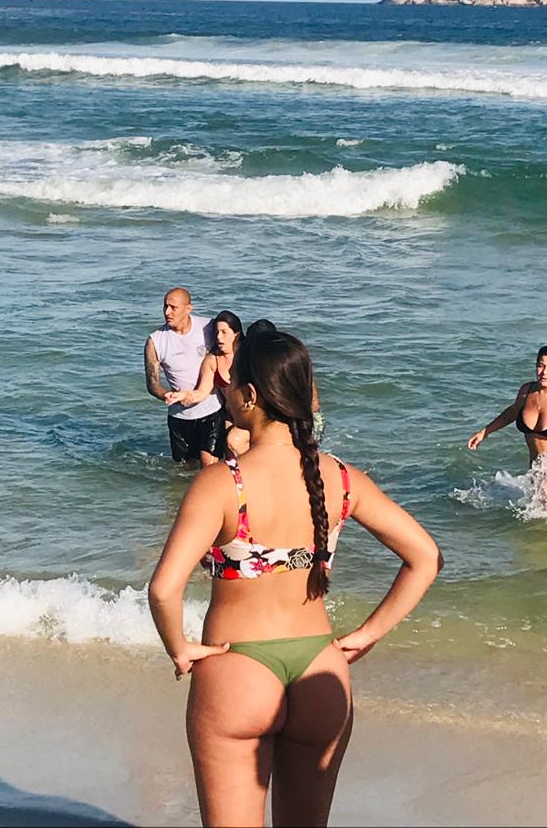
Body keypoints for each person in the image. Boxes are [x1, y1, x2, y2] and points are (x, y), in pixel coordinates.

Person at [148, 329, 442, 828]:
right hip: (321, 671)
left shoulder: (222, 482)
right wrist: (368, 634)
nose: (224, 390)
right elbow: (425, 557)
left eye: (231, 383)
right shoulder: (342, 478)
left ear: (250, 395)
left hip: (237, 669)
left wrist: (178, 648)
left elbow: (163, 589)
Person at [145, 287, 226, 467]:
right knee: (184, 471)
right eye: (165, 307)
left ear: (188, 308)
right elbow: (152, 384)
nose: (167, 312)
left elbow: (231, 351)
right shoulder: (155, 341)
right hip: (179, 416)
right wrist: (165, 394)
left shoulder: (209, 328)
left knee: (209, 466)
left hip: (211, 411)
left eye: (173, 307)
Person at [468, 344, 547, 469]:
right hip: (536, 472)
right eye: (540, 366)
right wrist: (485, 432)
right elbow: (512, 413)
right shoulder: (527, 391)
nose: (544, 372)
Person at [165, 310, 249, 458]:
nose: (219, 337)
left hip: (252, 416)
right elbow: (202, 392)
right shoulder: (212, 360)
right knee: (215, 455)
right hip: (230, 417)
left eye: (224, 332)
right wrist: (183, 395)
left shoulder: (247, 355)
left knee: (234, 441)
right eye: (216, 332)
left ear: (236, 334)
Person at [248, 318, 325, 443]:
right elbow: (313, 399)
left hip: (295, 421)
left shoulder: (263, 365)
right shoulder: (288, 357)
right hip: (307, 419)